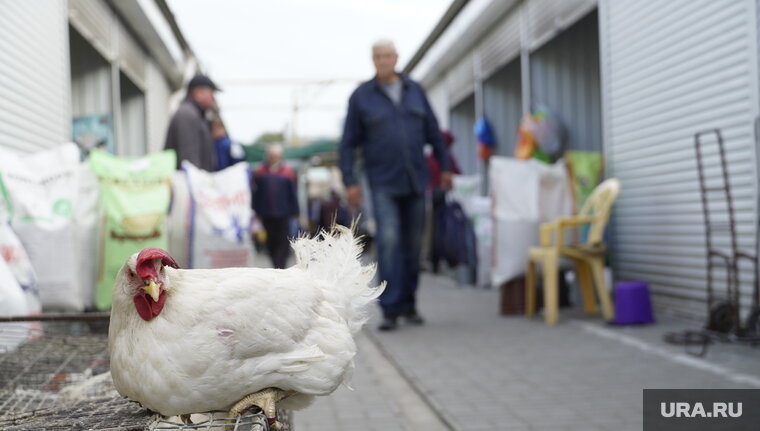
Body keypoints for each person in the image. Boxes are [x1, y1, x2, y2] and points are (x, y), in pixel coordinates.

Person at [339, 39, 452, 331]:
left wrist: (446, 168)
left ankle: (409, 303)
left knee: (413, 246)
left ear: (396, 58)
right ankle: (390, 308)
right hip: (383, 182)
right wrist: (350, 181)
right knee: (388, 242)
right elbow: (348, 143)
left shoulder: (415, 91)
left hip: (416, 179)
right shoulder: (362, 97)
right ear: (372, 60)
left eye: (388, 56)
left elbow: (434, 134)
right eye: (377, 56)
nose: (383, 60)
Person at [253, 144, 299, 269]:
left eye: (276, 156)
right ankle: (276, 264)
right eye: (272, 156)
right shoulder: (260, 172)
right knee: (270, 243)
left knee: (283, 243)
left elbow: (292, 194)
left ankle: (280, 266)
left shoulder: (287, 173)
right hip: (267, 215)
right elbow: (256, 194)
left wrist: (295, 211)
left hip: (283, 215)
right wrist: (256, 211)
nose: (274, 158)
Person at [164, 74, 220, 171]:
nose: (213, 98)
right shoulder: (187, 115)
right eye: (211, 93)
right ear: (198, 93)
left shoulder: (196, 115)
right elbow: (189, 162)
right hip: (187, 184)